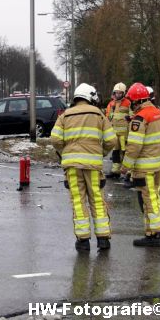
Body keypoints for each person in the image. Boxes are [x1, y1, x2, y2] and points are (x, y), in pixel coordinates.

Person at [51, 83, 117, 252]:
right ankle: (103, 239)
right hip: (93, 167)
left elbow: (56, 139)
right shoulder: (99, 114)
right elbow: (111, 140)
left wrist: (65, 153)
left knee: (78, 201)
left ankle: (83, 241)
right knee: (96, 199)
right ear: (90, 97)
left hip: (72, 167)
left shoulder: (65, 115)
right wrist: (99, 152)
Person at [121, 82, 160, 247]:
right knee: (154, 198)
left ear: (136, 101)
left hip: (144, 167)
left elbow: (134, 146)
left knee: (148, 199)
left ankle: (156, 231)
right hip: (156, 165)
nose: (131, 105)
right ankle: (151, 232)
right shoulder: (158, 113)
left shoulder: (140, 118)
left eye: (132, 102)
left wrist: (125, 166)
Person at [104, 83, 131, 179]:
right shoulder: (111, 104)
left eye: (120, 93)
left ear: (123, 93)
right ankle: (115, 171)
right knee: (115, 152)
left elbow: (133, 116)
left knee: (125, 153)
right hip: (115, 133)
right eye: (116, 93)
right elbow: (108, 116)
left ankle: (128, 173)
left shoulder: (128, 103)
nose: (118, 95)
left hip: (124, 134)